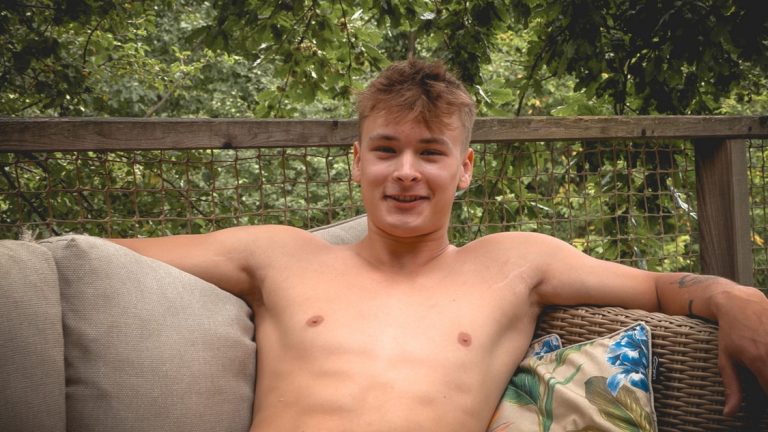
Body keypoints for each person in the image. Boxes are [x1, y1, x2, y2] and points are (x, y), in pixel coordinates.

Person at [111, 59, 768, 431]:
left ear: (464, 169)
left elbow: (655, 287)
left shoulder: (514, 264)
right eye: (385, 150)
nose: (405, 172)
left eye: (430, 152)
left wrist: (735, 297)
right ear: (356, 162)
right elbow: (106, 254)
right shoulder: (277, 255)